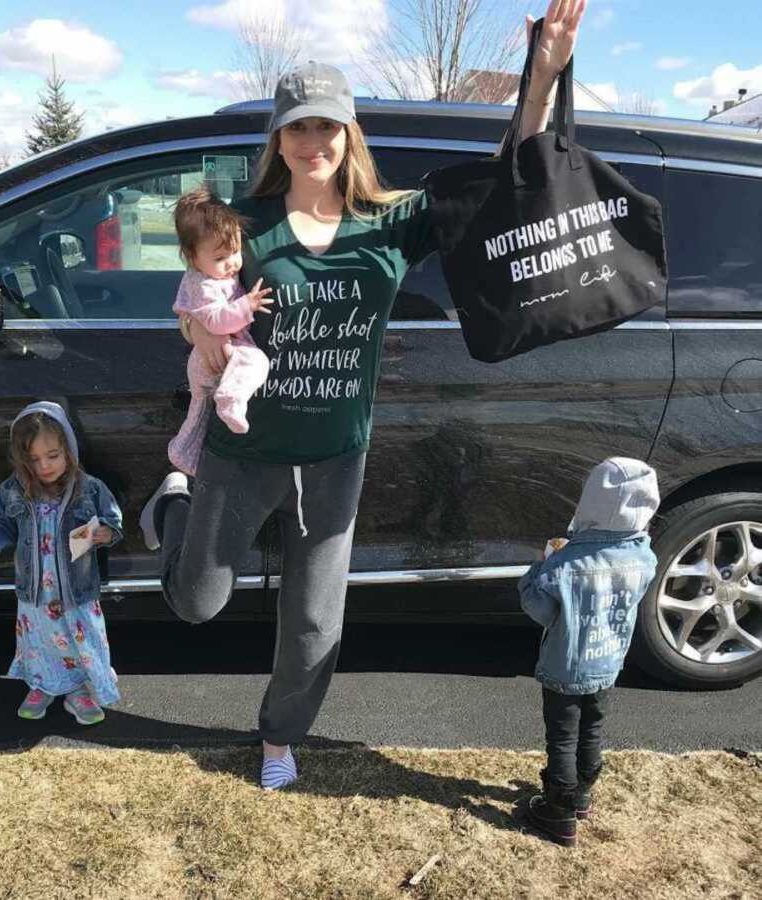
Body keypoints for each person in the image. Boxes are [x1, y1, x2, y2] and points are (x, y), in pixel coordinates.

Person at [140, 1, 588, 789]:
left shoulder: (390, 224)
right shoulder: (245, 223)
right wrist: (198, 334)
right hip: (242, 451)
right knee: (197, 603)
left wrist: (542, 78)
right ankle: (173, 504)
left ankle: (279, 737)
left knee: (315, 623)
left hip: (334, 457)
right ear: (277, 140)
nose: (312, 143)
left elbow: (501, 178)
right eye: (297, 128)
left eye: (327, 127)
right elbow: (192, 289)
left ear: (349, 135)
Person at [518, 457, 659, 847]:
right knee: (592, 727)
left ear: (590, 503)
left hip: (565, 666)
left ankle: (558, 813)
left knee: (562, 738)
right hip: (609, 660)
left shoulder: (566, 563)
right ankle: (581, 794)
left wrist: (537, 569)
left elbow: (541, 610)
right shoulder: (644, 557)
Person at [0, 401, 124, 725]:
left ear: (68, 447)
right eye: (34, 460)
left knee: (79, 638)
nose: (44, 466)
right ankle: (42, 685)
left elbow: (113, 520)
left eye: (52, 456)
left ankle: (79, 690)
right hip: (36, 592)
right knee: (39, 641)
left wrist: (105, 534)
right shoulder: (14, 491)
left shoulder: (89, 488)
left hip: (75, 589)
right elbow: (3, 523)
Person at [168, 187, 274, 475]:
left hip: (213, 357)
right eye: (221, 258)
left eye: (237, 251)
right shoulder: (204, 284)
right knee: (257, 362)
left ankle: (182, 453)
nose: (233, 263)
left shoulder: (209, 274)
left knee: (198, 416)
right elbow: (216, 322)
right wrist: (247, 305)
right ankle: (230, 398)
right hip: (214, 359)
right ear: (193, 258)